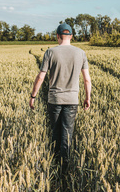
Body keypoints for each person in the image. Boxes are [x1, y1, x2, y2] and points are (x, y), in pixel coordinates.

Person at [29, 23, 91, 176]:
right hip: (72, 100)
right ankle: (65, 169)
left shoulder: (50, 52)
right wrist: (87, 97)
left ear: (57, 36)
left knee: (55, 133)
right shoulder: (81, 53)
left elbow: (41, 77)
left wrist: (33, 96)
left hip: (54, 100)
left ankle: (55, 167)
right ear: (71, 36)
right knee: (67, 134)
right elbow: (87, 80)